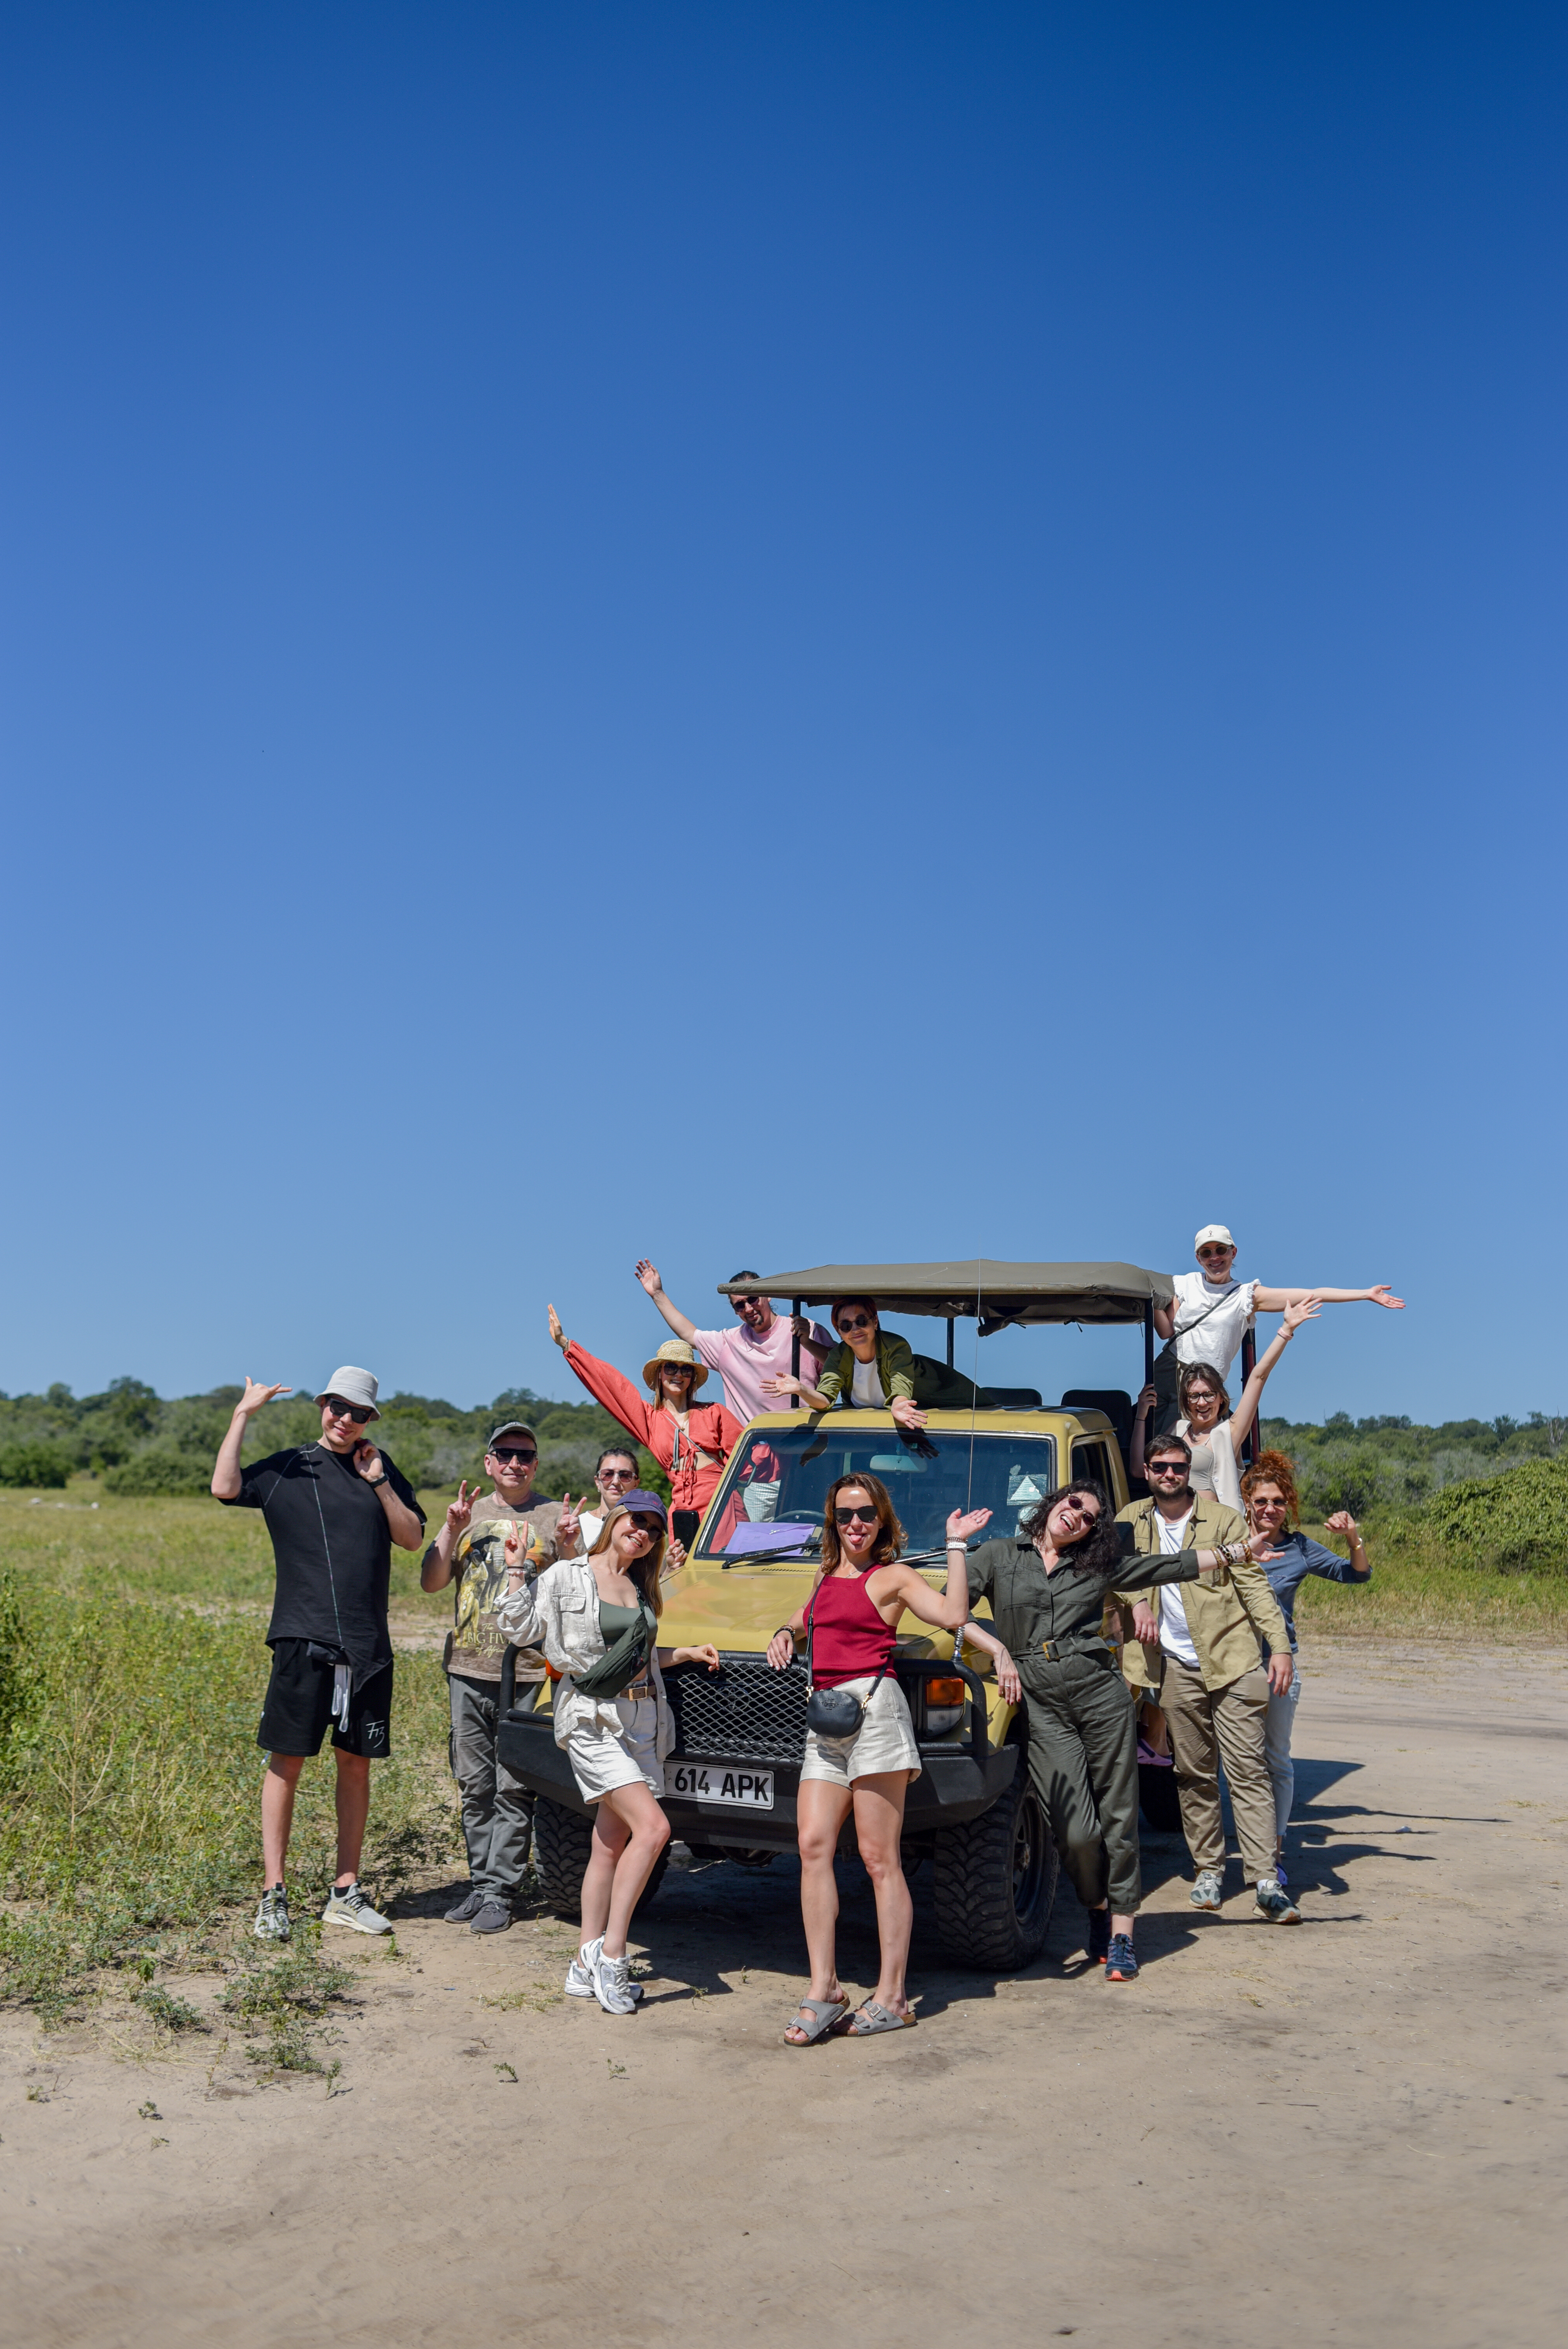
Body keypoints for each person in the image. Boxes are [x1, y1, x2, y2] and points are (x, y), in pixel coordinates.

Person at [956, 1480, 1277, 1984]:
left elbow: (1172, 1566)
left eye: (1089, 1518)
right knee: (1075, 1829)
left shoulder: (1097, 1566)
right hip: (1042, 1705)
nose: (1077, 1516)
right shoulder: (998, 1554)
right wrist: (996, 1648)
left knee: (1118, 1814)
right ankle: (1098, 1904)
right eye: (1073, 1504)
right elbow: (951, 1610)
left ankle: (1123, 1932)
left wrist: (1240, 1549)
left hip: (1099, 1694)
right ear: (1052, 1503)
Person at [766, 1474, 987, 2042]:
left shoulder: (893, 1577)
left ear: (882, 1520)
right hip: (826, 1719)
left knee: (877, 1857)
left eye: (866, 1514)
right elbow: (808, 1617)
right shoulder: (823, 1575)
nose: (856, 1525)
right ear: (832, 1520)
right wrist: (784, 1632)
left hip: (875, 1714)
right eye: (844, 1515)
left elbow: (953, 1616)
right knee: (812, 1845)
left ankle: (893, 1995)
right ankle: (826, 1988)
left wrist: (956, 1544)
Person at [211, 1367, 426, 1943]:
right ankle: (273, 1894)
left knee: (355, 1766)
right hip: (301, 1641)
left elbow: (411, 1539)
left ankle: (344, 1893)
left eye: (357, 1413)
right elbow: (225, 1487)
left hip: (367, 1647)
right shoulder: (289, 1467)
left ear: (369, 1421)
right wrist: (242, 1415)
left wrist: (380, 1483)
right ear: (321, 1406)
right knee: (288, 1763)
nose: (344, 1419)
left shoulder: (377, 1468)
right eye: (336, 1407)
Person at [494, 1493, 721, 2015]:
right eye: (633, 1521)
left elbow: (634, 1656)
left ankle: (581, 1961)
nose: (640, 1532)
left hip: (643, 1721)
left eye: (651, 1528)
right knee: (657, 1830)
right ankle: (613, 1955)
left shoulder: (642, 1584)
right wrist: (514, 1571)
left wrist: (683, 1652)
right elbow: (522, 1631)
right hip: (593, 1719)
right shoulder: (570, 1574)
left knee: (608, 1843)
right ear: (615, 1521)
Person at [1115, 1434, 1299, 1923]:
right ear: (1147, 1471)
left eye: (1177, 1466)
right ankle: (1208, 1871)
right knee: (1192, 1774)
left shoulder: (1222, 1521)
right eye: (1159, 1466)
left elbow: (1254, 1585)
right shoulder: (1129, 1520)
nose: (1169, 1474)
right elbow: (1112, 1573)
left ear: (1188, 1470)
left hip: (1233, 1661)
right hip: (1173, 1667)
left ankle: (1264, 1879)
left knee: (1248, 1770)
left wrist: (1277, 1647)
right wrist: (1135, 1601)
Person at [418, 1421, 568, 1934]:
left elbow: (575, 1590)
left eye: (524, 1455)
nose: (514, 1463)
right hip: (468, 1667)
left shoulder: (552, 1517)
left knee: (514, 1786)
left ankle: (500, 1891)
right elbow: (432, 1581)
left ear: (536, 1463)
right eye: (504, 1454)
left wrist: (570, 1546)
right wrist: (451, 1527)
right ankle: (483, 1886)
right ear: (488, 1463)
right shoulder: (470, 1514)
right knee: (474, 1783)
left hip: (529, 1673)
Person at [1241, 1450, 1372, 1883]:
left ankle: (1273, 1852)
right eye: (1261, 1501)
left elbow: (1355, 1576)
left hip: (1277, 1666)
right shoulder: (1230, 1544)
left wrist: (1353, 1538)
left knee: (1275, 1759)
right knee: (1233, 1763)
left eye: (1277, 1501)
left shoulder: (1298, 1548)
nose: (1269, 1509)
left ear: (1288, 1505)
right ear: (1247, 1503)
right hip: (1230, 1665)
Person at [1150, 1224, 1404, 1430]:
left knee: (1220, 1456)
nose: (1214, 1257)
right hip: (1174, 1375)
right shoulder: (1185, 1284)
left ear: (1233, 1253)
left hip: (1211, 1386)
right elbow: (1166, 1332)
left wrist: (1365, 1294)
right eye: (1207, 1253)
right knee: (1169, 1454)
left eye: (1221, 1250)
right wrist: (1149, 1302)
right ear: (1198, 1258)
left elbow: (1312, 1294)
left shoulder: (1246, 1296)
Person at [548, 1306, 743, 1550]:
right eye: (670, 1368)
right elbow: (613, 1387)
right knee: (688, 1574)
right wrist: (567, 1345)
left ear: (693, 1377)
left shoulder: (714, 1412)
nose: (678, 1375)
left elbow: (752, 1460)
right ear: (660, 1375)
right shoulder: (650, 1420)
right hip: (684, 1506)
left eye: (686, 1370)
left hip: (722, 1501)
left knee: (729, 1570)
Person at [1131, 1296, 1319, 1510]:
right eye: (1194, 1396)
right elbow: (1140, 1470)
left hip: (1217, 1530)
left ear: (1221, 1398)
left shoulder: (1229, 1432)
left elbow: (1258, 1377)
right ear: (1186, 1400)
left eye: (1209, 1395)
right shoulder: (1178, 1430)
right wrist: (1141, 1415)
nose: (1202, 1403)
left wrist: (1286, 1330)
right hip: (1176, 1526)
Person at [633, 1260, 834, 1426]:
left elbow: (843, 1367)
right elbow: (690, 1334)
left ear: (768, 1295)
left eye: (753, 1299)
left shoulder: (806, 1329)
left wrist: (808, 1343)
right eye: (740, 1305)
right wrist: (658, 1294)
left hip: (807, 1438)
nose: (748, 1308)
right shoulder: (728, 1343)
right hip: (757, 1449)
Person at [764, 1297, 981, 1428]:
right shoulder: (840, 1356)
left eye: (861, 1321)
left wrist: (898, 1406)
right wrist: (801, 1389)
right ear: (839, 1332)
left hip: (953, 1402)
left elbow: (901, 1391)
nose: (855, 1330)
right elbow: (825, 1400)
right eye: (846, 1326)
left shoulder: (896, 1347)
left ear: (875, 1321)